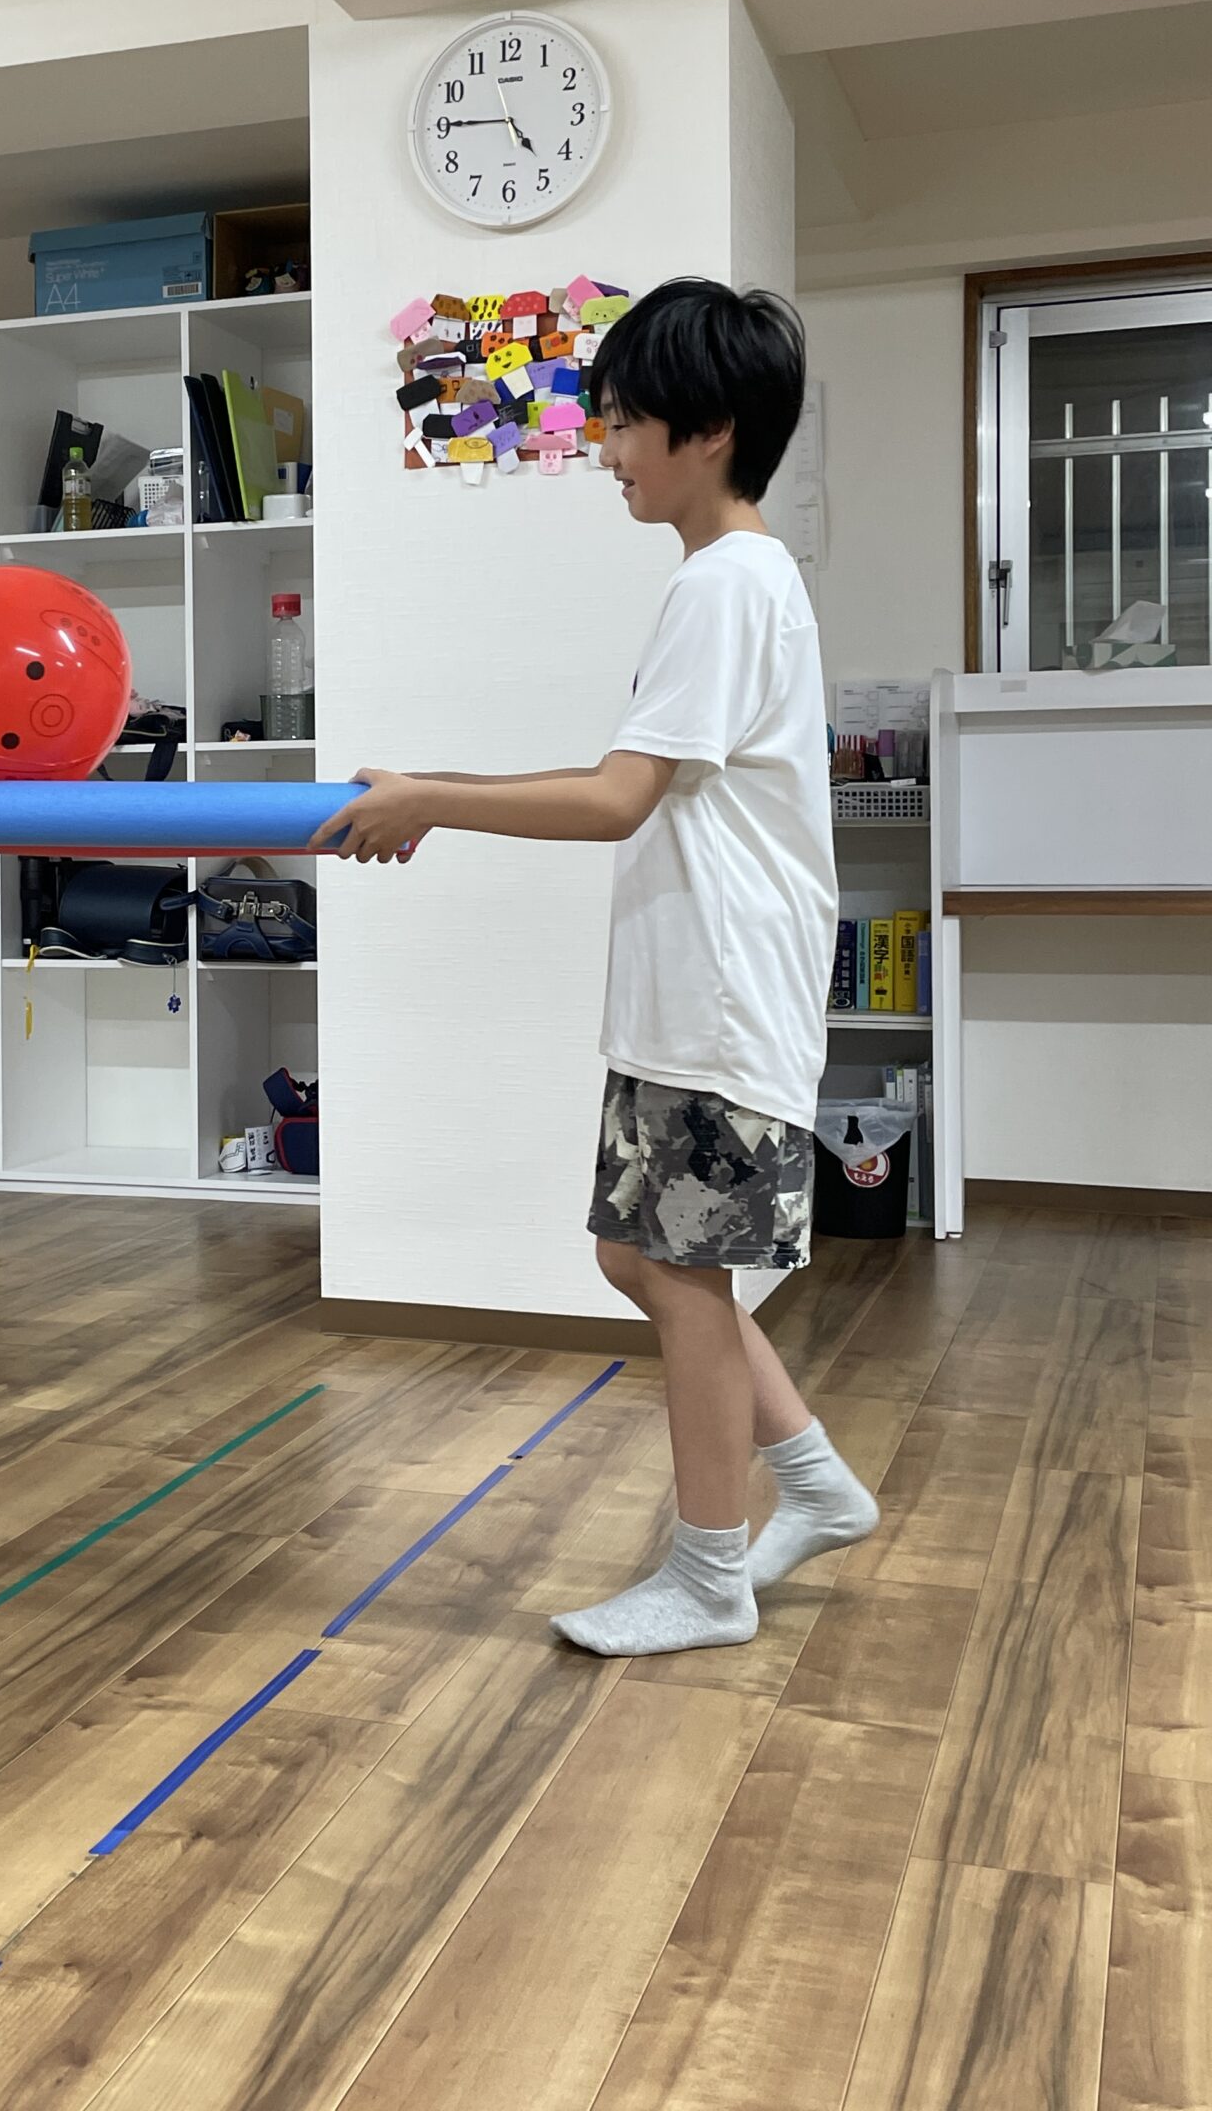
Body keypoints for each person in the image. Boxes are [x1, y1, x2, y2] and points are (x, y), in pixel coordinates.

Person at [319, 278, 879, 1657]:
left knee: (683, 1278)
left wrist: (428, 797)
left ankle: (709, 1576)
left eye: (625, 421)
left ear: (711, 429)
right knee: (639, 1253)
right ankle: (814, 1483)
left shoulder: (728, 584)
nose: (607, 449)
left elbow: (619, 797)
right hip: (690, 994)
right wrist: (431, 797)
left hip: (723, 1003)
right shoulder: (729, 580)